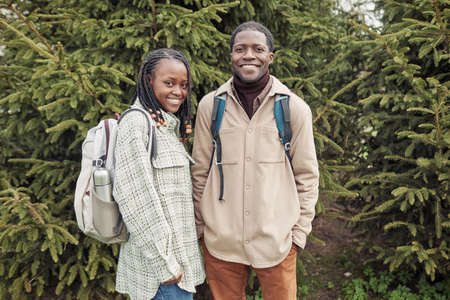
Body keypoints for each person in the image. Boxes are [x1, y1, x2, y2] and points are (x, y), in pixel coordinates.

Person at [191, 21, 319, 300]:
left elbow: (307, 177)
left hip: (277, 242)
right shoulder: (211, 106)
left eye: (258, 49)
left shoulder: (293, 108)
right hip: (220, 241)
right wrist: (202, 228)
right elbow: (200, 172)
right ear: (231, 56)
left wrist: (298, 235)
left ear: (270, 57)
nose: (249, 55)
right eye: (241, 49)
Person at [113, 48, 205, 300]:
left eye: (184, 85)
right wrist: (164, 265)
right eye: (169, 83)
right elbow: (134, 199)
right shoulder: (137, 124)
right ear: (148, 81)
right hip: (160, 276)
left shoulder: (164, 126)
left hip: (177, 270)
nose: (178, 92)